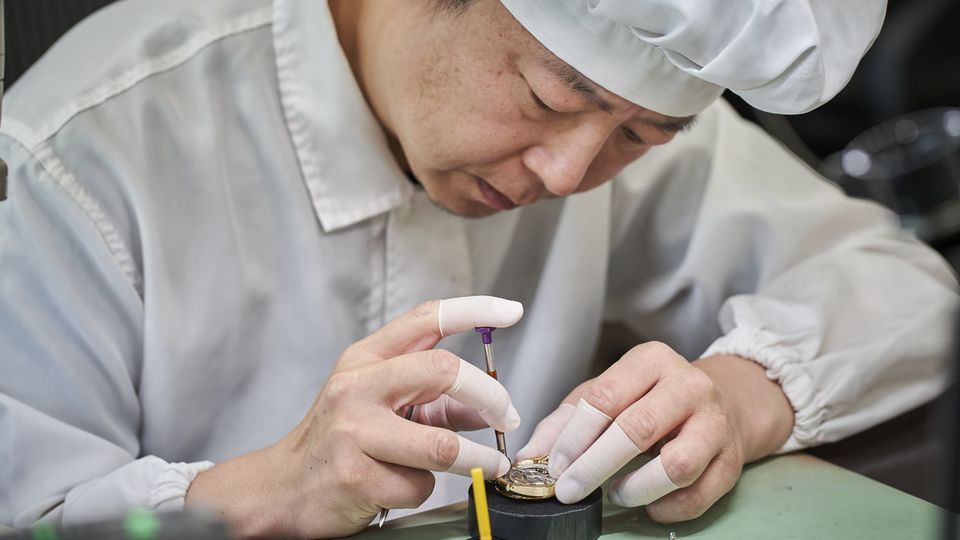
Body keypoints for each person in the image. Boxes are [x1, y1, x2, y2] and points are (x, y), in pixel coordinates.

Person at [0, 0, 955, 537]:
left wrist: (731, 396)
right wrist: (266, 493)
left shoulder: (614, 116)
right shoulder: (78, 156)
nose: (571, 175)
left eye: (641, 134)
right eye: (546, 97)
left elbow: (899, 288)